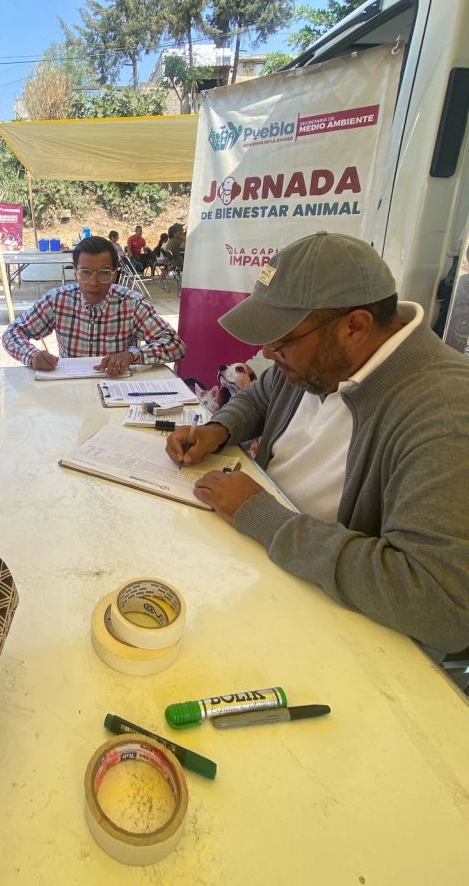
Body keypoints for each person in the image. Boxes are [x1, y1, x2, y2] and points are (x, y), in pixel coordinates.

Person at [166, 231, 469, 654]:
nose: (268, 354)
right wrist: (219, 430)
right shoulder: (323, 359)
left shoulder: (445, 413)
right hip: (263, 558)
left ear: (354, 326)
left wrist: (261, 515)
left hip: (333, 627)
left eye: (282, 340)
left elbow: (441, 603)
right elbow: (262, 394)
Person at [1, 234, 185, 376]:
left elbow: (175, 344)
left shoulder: (132, 303)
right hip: (71, 389)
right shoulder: (57, 301)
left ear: (115, 274)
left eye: (104, 273)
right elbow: (12, 333)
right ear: (75, 274)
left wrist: (133, 355)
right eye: (86, 273)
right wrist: (32, 355)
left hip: (117, 387)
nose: (94, 282)